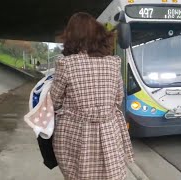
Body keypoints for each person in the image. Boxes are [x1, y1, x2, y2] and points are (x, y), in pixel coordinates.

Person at [50, 12, 134, 180]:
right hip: (109, 131)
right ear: (98, 34)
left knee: (78, 174)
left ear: (72, 37)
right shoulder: (113, 62)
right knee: (110, 174)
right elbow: (118, 98)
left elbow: (54, 101)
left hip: (76, 134)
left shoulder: (66, 64)